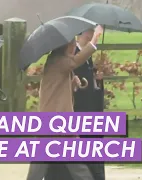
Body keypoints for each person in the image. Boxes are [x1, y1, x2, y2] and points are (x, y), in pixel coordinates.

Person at [26, 25, 103, 180]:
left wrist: (73, 81)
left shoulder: (57, 62)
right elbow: (76, 61)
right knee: (65, 163)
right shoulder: (60, 62)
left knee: (49, 163)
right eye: (72, 45)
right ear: (66, 47)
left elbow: (60, 83)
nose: (74, 47)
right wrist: (94, 41)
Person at [74, 28, 106, 180]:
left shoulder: (88, 56)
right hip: (80, 109)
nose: (91, 34)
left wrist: (98, 80)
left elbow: (90, 82)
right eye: (89, 32)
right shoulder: (75, 54)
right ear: (82, 34)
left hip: (92, 108)